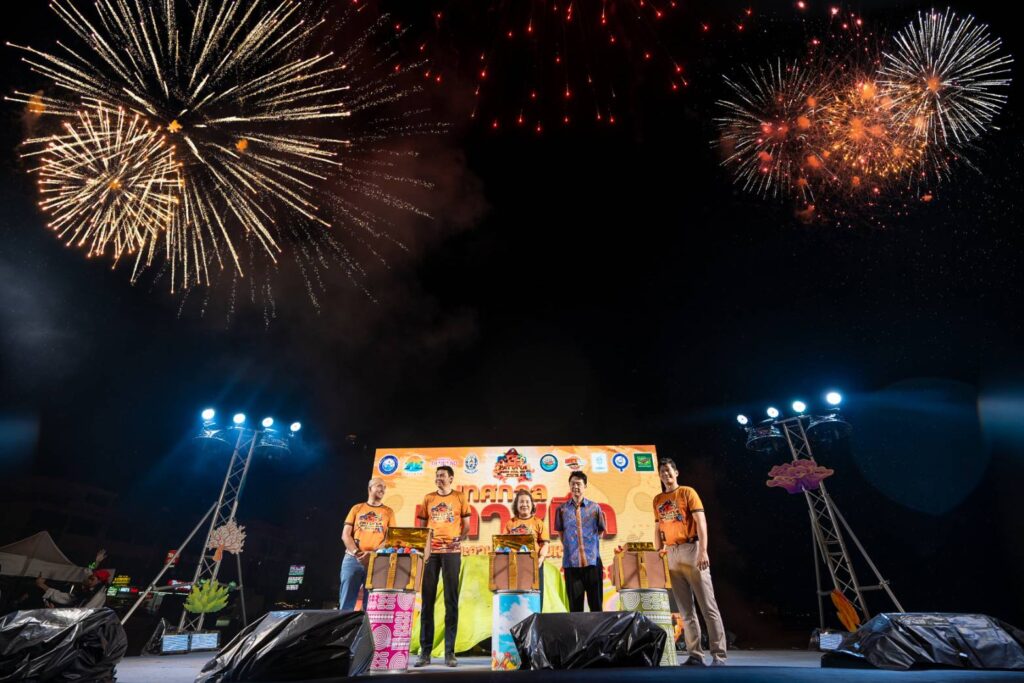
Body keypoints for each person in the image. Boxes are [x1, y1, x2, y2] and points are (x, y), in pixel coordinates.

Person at [653, 458, 727, 666]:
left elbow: (701, 522)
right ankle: (695, 654)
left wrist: (703, 551)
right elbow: (658, 526)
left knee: (708, 606)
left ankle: (719, 655)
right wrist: (659, 550)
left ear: (676, 472)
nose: (665, 474)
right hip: (672, 552)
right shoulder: (658, 499)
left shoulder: (687, 492)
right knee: (685, 610)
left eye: (668, 470)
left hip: (691, 549)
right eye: (662, 471)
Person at [415, 465, 470, 668]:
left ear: (451, 478)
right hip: (432, 553)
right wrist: (425, 545)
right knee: (427, 601)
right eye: (437, 475)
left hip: (452, 552)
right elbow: (422, 526)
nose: (438, 478)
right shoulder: (428, 498)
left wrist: (459, 538)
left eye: (442, 476)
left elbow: (467, 525)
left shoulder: (460, 497)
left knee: (451, 601)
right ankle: (425, 652)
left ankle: (449, 652)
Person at [339, 477, 395, 611]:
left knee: (371, 606)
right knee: (346, 603)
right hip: (352, 559)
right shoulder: (357, 508)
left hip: (376, 561)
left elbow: (390, 539)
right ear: (370, 488)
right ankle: (344, 625)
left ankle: (366, 626)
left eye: (384, 487)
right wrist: (357, 553)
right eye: (379, 486)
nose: (383, 489)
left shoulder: (388, 512)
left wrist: (372, 554)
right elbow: (345, 535)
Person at [554, 471, 606, 612]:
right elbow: (561, 533)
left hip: (593, 562)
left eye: (578, 484)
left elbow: (600, 531)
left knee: (596, 605)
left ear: (585, 486)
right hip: (571, 565)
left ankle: (598, 628)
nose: (575, 487)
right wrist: (572, 547)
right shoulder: (562, 510)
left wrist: (589, 546)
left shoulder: (595, 508)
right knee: (575, 608)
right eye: (572, 484)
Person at [504, 489, 549, 607]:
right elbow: (503, 544)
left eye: (527, 502)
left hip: (535, 564)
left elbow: (545, 543)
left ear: (532, 505)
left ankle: (536, 618)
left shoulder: (538, 522)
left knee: (535, 599)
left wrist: (541, 558)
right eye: (521, 502)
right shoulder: (510, 523)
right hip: (515, 565)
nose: (524, 504)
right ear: (516, 505)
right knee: (517, 599)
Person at [36, 549, 111, 608]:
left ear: (99, 583)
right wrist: (96, 562)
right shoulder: (84, 593)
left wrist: (53, 613)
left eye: (92, 579)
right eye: (89, 578)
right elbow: (63, 597)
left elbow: (81, 614)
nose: (88, 580)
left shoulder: (98, 596)